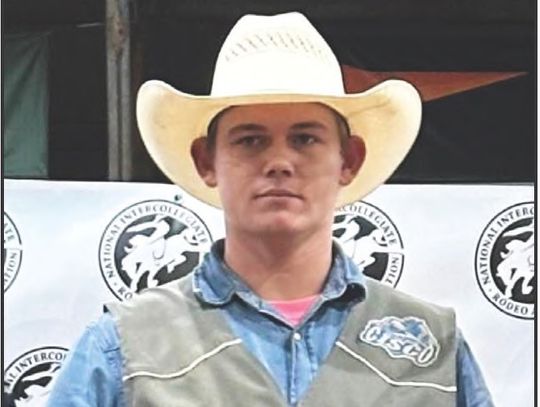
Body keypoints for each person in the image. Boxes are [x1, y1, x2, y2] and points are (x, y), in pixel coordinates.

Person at [47, 12, 493, 406]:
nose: (279, 162)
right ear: (206, 161)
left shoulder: (435, 350)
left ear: (349, 160)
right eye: (251, 139)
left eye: (305, 138)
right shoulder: (123, 348)